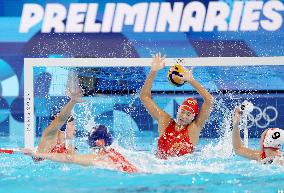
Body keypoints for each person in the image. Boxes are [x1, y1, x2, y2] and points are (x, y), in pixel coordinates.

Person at [140, 53, 214, 159]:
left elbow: (209, 100)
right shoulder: (165, 121)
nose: (184, 116)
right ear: (178, 110)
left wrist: (191, 81)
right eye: (183, 111)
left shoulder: (194, 129)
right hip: (159, 167)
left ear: (193, 117)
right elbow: (144, 97)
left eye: (188, 114)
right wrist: (153, 71)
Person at [22, 124, 138, 173]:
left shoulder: (98, 157)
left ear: (98, 142)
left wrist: (38, 154)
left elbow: (69, 159)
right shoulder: (114, 152)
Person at [32, 90, 83, 161]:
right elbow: (60, 120)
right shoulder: (48, 140)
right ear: (64, 125)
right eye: (73, 124)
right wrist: (72, 102)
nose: (75, 129)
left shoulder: (71, 148)